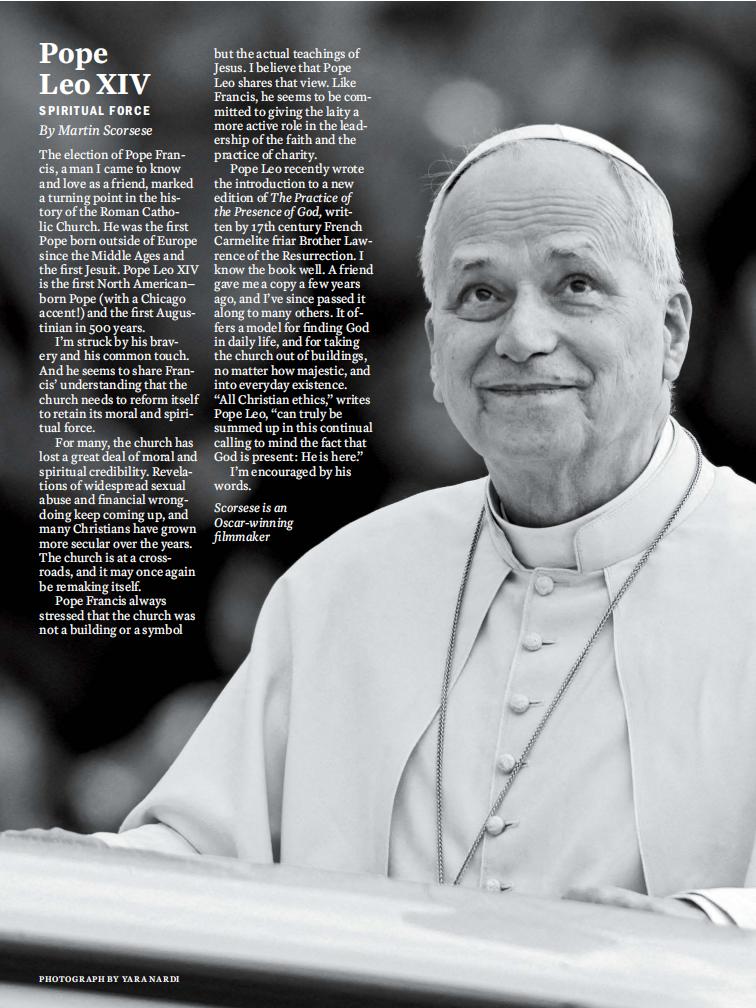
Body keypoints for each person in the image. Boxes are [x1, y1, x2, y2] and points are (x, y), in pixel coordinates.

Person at [28, 126, 756, 927]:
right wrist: (62, 875)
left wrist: (700, 929)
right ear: (438, 350)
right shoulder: (346, 578)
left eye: (575, 285)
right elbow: (208, 852)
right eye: (480, 294)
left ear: (672, 330)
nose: (522, 337)